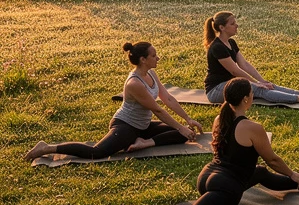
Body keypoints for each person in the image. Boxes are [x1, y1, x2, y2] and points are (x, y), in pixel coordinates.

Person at [117, 79, 299, 205]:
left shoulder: (220, 118)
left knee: (260, 172)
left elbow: (264, 166)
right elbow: (273, 160)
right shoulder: (253, 128)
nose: (253, 96)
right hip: (227, 188)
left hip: (208, 175)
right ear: (246, 99)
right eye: (252, 94)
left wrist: (297, 178)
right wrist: (293, 174)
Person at [24, 41, 203, 162]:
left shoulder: (151, 74)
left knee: (183, 133)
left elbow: (168, 98)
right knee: (97, 152)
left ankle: (144, 142)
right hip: (126, 125)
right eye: (154, 55)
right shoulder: (134, 83)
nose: (158, 58)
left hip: (144, 126)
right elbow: (158, 109)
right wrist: (180, 126)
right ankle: (47, 148)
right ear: (143, 59)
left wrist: (187, 121)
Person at [205, 11, 299, 104]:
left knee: (268, 85)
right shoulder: (217, 47)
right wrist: (256, 83)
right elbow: (235, 70)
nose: (237, 25)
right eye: (232, 23)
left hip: (232, 85)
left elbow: (244, 65)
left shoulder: (231, 42)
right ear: (222, 27)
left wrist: (262, 80)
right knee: (256, 88)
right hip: (216, 90)